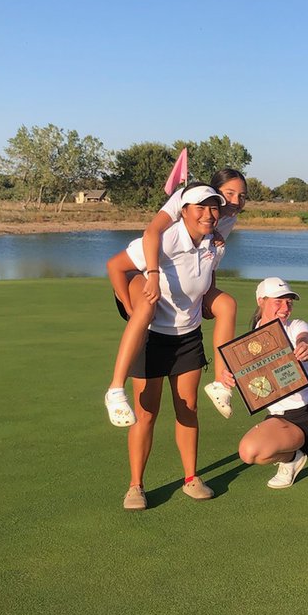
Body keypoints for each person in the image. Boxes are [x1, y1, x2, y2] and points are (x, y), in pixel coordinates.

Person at [105, 183, 226, 509]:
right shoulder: (167, 238)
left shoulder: (216, 245)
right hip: (152, 337)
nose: (208, 214)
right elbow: (115, 266)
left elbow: (208, 279)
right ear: (182, 211)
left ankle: (191, 478)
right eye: (199, 207)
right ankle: (136, 486)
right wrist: (132, 312)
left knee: (188, 410)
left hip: (188, 337)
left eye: (214, 207)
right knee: (146, 414)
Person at [103, 168, 248, 427]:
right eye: (230, 193)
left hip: (171, 274)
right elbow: (150, 235)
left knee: (227, 304)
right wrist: (134, 301)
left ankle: (219, 383)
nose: (236, 201)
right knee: (145, 308)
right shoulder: (182, 202)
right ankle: (115, 390)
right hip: (142, 267)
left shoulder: (225, 217)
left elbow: (208, 260)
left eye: (242, 195)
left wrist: (205, 293)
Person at [224, 278, 308, 504]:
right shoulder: (244, 346)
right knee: (249, 452)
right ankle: (293, 457)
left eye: (289, 303)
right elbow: (249, 382)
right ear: (260, 301)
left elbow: (305, 337)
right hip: (285, 419)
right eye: (279, 302)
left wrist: (304, 345)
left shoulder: (296, 327)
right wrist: (229, 377)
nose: (285, 308)